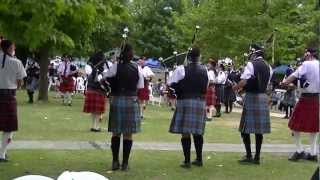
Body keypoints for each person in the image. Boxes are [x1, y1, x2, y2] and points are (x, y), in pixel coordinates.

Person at [103, 44, 144, 171]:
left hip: (117, 99)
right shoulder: (137, 67)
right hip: (131, 100)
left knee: (116, 132)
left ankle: (115, 162)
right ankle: (125, 164)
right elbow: (140, 85)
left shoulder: (116, 66)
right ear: (131, 54)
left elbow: (105, 79)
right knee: (128, 134)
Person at [168, 47, 208, 168]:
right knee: (198, 132)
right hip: (200, 102)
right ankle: (199, 159)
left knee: (186, 133)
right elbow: (205, 87)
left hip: (185, 101)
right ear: (199, 57)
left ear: (188, 57)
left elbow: (171, 84)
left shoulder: (181, 69)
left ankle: (187, 161)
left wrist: (178, 90)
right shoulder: (204, 69)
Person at [233, 44, 272, 165]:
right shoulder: (268, 66)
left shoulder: (251, 64)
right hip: (262, 97)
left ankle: (249, 155)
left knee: (244, 129)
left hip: (251, 97)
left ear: (254, 53)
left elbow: (244, 80)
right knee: (258, 130)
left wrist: (236, 87)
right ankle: (257, 157)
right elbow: (267, 84)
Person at [282, 48, 319, 162]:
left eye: (305, 53)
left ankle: (299, 151)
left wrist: (284, 82)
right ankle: (313, 154)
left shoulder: (306, 64)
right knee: (314, 127)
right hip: (317, 99)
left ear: (309, 54)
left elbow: (293, 76)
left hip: (305, 99)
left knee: (294, 125)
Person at [0, 40, 27, 162]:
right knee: (8, 128)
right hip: (9, 96)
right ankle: (2, 154)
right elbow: (20, 82)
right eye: (14, 47)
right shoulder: (17, 62)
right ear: (11, 48)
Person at [83, 52, 107, 132]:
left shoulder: (91, 68)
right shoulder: (99, 71)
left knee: (93, 111)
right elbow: (100, 82)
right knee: (97, 111)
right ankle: (96, 127)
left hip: (90, 90)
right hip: (98, 92)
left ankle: (93, 126)